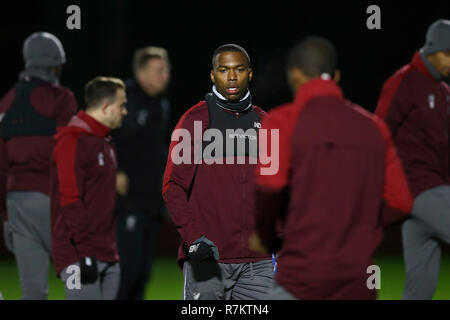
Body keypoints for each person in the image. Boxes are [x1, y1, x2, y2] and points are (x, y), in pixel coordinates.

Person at [249, 36, 413, 300]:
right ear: (335, 76)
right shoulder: (374, 128)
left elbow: (270, 189)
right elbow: (402, 202)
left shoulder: (279, 122)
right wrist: (358, 225)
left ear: (294, 75)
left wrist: (266, 237)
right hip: (359, 280)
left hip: (300, 279)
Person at [162, 44, 274, 300]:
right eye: (224, 70)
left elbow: (275, 191)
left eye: (239, 69)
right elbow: (172, 187)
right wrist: (193, 239)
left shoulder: (267, 123)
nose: (232, 76)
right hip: (208, 259)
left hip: (259, 263)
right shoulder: (194, 120)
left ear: (250, 73)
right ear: (213, 75)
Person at [375, 19, 450, 300]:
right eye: (449, 53)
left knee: (421, 286)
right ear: (433, 50)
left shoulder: (443, 92)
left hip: (428, 196)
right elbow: (379, 133)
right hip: (417, 189)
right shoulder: (404, 81)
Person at [0, 32, 77, 300]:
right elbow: (69, 158)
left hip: (16, 203)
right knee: (79, 281)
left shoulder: (6, 101)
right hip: (52, 200)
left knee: (32, 291)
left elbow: (1, 165)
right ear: (53, 64)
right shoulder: (61, 98)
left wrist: (6, 216)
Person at [51, 77, 127, 300]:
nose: (124, 112)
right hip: (78, 254)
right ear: (105, 107)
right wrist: (85, 253)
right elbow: (70, 201)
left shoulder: (105, 141)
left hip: (107, 253)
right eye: (121, 105)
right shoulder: (72, 140)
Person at [114, 47, 171, 300]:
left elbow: (157, 150)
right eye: (159, 71)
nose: (165, 76)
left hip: (150, 200)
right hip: (126, 202)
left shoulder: (161, 105)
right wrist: (113, 171)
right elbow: (97, 135)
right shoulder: (120, 100)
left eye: (166, 70)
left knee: (142, 274)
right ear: (140, 72)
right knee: (126, 272)